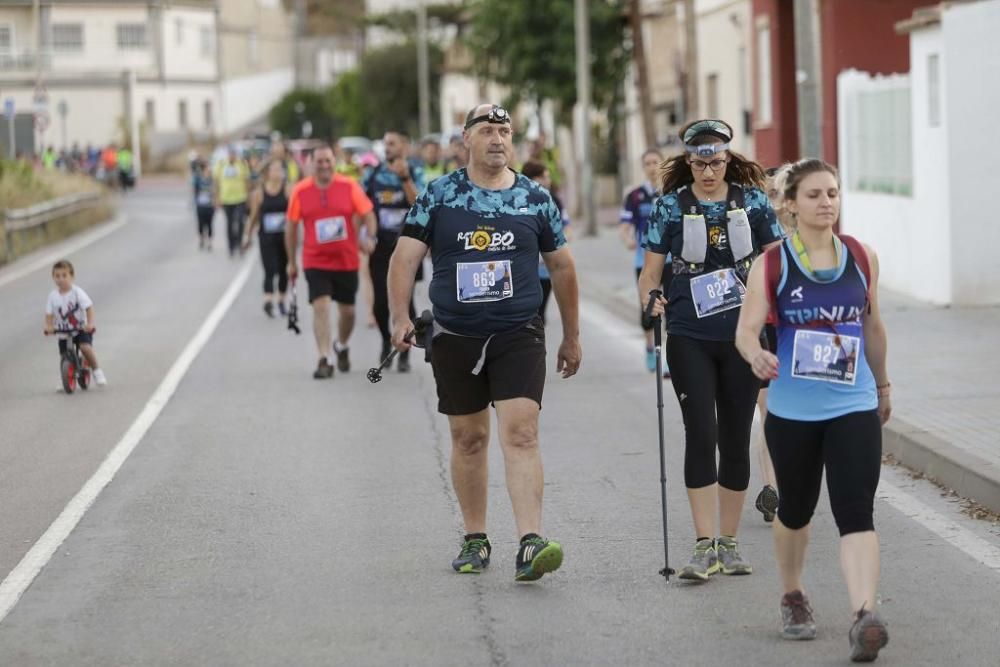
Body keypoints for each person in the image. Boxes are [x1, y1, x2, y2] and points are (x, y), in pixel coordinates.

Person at [388, 103, 581, 581]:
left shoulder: (535, 197)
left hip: (518, 331)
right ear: (466, 140)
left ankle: (530, 541)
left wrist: (571, 336)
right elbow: (404, 259)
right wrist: (399, 316)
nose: (497, 139)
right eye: (487, 131)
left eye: (504, 131)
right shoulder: (439, 195)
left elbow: (562, 267)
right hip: (455, 334)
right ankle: (475, 538)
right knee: (469, 438)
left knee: (522, 433)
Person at [734, 158, 891, 662]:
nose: (827, 203)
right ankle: (793, 594)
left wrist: (883, 385)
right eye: (815, 195)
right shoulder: (774, 264)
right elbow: (745, 328)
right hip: (793, 412)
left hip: (854, 404)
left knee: (856, 512)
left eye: (834, 193)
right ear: (791, 205)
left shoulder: (862, 256)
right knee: (796, 511)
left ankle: (864, 615)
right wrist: (754, 353)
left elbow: (872, 326)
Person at [639, 119, 783, 582]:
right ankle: (704, 545)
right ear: (689, 162)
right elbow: (650, 272)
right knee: (702, 431)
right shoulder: (669, 208)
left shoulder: (754, 202)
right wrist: (651, 298)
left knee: (736, 435)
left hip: (743, 336)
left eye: (716, 162)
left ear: (727, 160)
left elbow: (776, 261)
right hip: (690, 336)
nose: (708, 172)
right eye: (700, 164)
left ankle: (730, 542)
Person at [285, 144, 377, 379]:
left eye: (328, 161)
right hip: (315, 260)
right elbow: (291, 226)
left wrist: (370, 236)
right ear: (311, 163)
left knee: (347, 312)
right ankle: (324, 358)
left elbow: (368, 213)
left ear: (333, 162)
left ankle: (342, 345)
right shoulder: (300, 191)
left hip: (346, 260)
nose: (324, 166)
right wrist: (291, 261)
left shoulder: (348, 186)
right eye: (319, 161)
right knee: (321, 305)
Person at [362, 130, 425, 372]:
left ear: (404, 146)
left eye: (392, 143)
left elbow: (420, 204)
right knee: (380, 302)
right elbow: (361, 206)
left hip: (408, 246)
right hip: (380, 246)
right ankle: (384, 339)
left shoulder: (415, 170)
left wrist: (405, 179)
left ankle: (406, 349)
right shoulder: (373, 173)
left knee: (405, 301)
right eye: (385, 143)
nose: (387, 148)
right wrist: (364, 235)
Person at [753, 164, 794, 523]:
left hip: (797, 331)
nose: (776, 201)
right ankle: (772, 488)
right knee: (769, 407)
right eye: (770, 193)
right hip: (764, 328)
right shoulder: (753, 230)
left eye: (782, 192)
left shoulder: (814, 235)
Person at [620, 148, 672, 374]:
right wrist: (627, 238)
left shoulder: (671, 193)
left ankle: (670, 358)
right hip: (644, 261)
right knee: (649, 307)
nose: (652, 167)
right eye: (648, 163)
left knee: (672, 309)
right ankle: (650, 346)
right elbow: (625, 225)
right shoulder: (634, 196)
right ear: (643, 167)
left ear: (662, 165)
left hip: (671, 261)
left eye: (655, 162)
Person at [520, 160, 570, 325]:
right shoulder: (518, 198)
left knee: (540, 312)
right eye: (543, 176)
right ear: (531, 179)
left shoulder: (554, 200)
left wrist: (557, 243)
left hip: (545, 268)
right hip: (524, 269)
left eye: (548, 176)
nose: (547, 180)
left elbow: (566, 227)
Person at [44, 259, 107, 387]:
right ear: (53, 277)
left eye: (64, 275)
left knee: (85, 347)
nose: (61, 279)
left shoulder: (77, 292)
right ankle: (64, 378)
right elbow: (49, 313)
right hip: (63, 331)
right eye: (57, 276)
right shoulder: (53, 296)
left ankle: (96, 370)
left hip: (80, 328)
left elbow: (89, 307)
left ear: (71, 276)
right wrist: (49, 326)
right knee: (64, 355)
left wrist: (89, 324)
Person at [243, 159, 291, 317]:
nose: (278, 173)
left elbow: (295, 215)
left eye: (280, 170)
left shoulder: (288, 190)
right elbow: (253, 216)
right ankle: (268, 301)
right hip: (266, 237)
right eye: (275, 170)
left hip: (285, 237)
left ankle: (282, 300)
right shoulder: (259, 193)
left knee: (284, 269)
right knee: (270, 269)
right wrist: (248, 236)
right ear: (268, 173)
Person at [214, 147, 251, 257]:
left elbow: (246, 181)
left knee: (240, 221)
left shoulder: (242, 164)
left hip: (240, 197)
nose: (232, 156)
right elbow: (216, 182)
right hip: (226, 199)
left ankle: (239, 243)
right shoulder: (221, 165)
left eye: (233, 154)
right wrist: (217, 197)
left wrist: (248, 197)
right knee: (229, 223)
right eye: (230, 154)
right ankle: (231, 246)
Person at [192, 160, 216, 250]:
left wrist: (215, 201)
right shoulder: (198, 179)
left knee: (209, 224)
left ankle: (209, 242)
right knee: (201, 224)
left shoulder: (212, 180)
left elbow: (215, 191)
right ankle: (201, 239)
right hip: (201, 205)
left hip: (209, 206)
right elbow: (194, 190)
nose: (209, 170)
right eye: (207, 169)